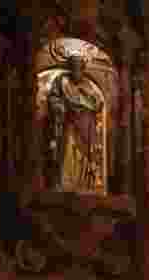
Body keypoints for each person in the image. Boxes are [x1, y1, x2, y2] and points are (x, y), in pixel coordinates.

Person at [46, 55, 104, 192]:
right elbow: (53, 98)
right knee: (67, 152)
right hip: (69, 122)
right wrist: (59, 107)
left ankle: (84, 184)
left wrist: (87, 96)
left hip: (86, 124)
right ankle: (65, 183)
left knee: (84, 155)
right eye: (73, 67)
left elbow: (98, 104)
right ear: (70, 68)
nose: (76, 70)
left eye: (79, 67)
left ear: (83, 69)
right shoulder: (62, 81)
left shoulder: (88, 86)